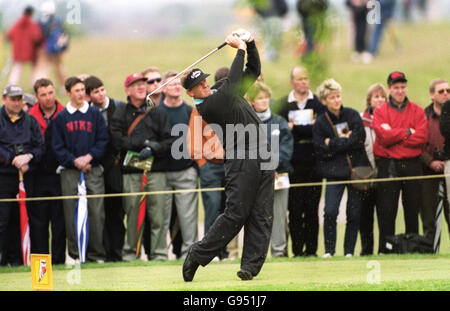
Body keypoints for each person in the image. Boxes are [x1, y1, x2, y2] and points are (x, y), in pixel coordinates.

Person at [181, 30, 274, 281]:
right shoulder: (210, 106)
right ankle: (197, 255)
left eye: (204, 82)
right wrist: (239, 49)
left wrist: (251, 44)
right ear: (190, 93)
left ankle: (249, 268)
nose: (204, 86)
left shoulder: (218, 90)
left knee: (261, 214)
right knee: (235, 214)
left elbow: (252, 71)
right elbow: (233, 81)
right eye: (198, 86)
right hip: (241, 159)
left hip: (264, 155)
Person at [110, 73, 173, 261]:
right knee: (132, 214)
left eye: (142, 84)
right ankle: (131, 254)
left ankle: (159, 254)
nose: (140, 87)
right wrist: (142, 144)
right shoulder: (120, 112)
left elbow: (169, 140)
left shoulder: (157, 112)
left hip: (156, 170)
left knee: (158, 216)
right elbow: (117, 140)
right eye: (135, 84)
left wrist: (153, 147)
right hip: (131, 171)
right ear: (127, 89)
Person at [51, 76, 109, 263]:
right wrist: (74, 160)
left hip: (93, 169)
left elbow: (103, 140)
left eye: (83, 90)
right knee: (71, 213)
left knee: (96, 213)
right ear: (68, 93)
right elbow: (57, 146)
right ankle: (76, 254)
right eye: (77, 90)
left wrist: (89, 156)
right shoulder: (61, 117)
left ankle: (95, 254)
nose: (81, 93)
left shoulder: (94, 114)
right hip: (70, 172)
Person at [372, 71, 428, 254]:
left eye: (403, 87)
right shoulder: (381, 112)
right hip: (389, 166)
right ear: (389, 88)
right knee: (387, 210)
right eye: (396, 87)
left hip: (412, 164)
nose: (400, 90)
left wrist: (395, 135)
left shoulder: (417, 111)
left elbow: (421, 138)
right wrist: (407, 132)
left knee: (412, 208)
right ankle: (386, 249)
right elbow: (383, 137)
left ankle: (412, 248)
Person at [313, 78, 368, 258]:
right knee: (330, 212)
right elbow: (320, 148)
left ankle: (349, 251)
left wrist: (333, 143)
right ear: (324, 101)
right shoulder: (321, 122)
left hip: (355, 172)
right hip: (333, 173)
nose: (336, 100)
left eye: (338, 96)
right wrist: (345, 141)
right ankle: (329, 250)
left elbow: (359, 139)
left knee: (353, 213)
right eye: (332, 98)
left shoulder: (352, 115)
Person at [278, 65, 325, 257]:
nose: (304, 82)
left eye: (306, 78)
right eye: (299, 79)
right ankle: (297, 251)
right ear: (292, 82)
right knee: (295, 210)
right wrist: (307, 128)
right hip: (292, 165)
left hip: (314, 164)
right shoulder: (283, 105)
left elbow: (318, 130)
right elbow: (282, 131)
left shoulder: (318, 105)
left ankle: (311, 250)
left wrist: (295, 128)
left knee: (312, 209)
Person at [247, 81, 293, 257]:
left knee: (279, 216)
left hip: (279, 176)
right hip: (255, 177)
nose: (265, 101)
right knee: (256, 217)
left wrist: (272, 166)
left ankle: (279, 251)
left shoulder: (279, 121)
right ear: (252, 101)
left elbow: (286, 149)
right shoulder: (247, 123)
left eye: (267, 97)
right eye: (260, 98)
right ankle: (257, 253)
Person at [0, 85, 44, 266]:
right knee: (2, 220)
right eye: (13, 99)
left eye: (19, 99)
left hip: (26, 177)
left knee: (23, 218)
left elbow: (40, 146)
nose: (17, 103)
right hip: (4, 177)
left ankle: (18, 259)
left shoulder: (30, 121)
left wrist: (29, 157)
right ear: (4, 100)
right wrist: (12, 159)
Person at [84, 75, 126, 262]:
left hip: (115, 167)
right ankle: (102, 252)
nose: (100, 94)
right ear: (89, 96)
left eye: (102, 90)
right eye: (95, 92)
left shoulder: (118, 107)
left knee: (116, 212)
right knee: (99, 214)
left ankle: (116, 253)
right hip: (95, 167)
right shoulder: (88, 112)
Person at [159, 70, 198, 259]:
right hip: (163, 173)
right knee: (161, 217)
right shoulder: (157, 112)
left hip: (186, 171)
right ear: (163, 88)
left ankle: (189, 254)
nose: (175, 86)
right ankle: (158, 255)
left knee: (188, 218)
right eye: (171, 84)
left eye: (177, 84)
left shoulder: (190, 111)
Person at [28, 78, 65, 264]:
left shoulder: (65, 113)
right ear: (36, 96)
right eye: (43, 94)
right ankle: (40, 266)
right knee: (39, 224)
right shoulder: (30, 116)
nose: (48, 97)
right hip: (37, 176)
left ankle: (58, 262)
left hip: (59, 175)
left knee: (59, 223)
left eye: (51, 93)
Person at [359, 83, 387, 256]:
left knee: (384, 214)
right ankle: (366, 249)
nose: (380, 99)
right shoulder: (361, 120)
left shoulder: (390, 118)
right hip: (366, 173)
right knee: (365, 214)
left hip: (384, 171)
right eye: (376, 97)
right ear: (369, 100)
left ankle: (384, 248)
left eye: (382, 96)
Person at [423, 79, 450, 241]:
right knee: (429, 218)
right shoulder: (423, 116)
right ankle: (430, 256)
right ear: (432, 95)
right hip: (427, 171)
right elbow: (417, 144)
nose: (446, 93)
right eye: (441, 91)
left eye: (448, 90)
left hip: (448, 166)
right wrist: (430, 161)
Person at [34, 1, 69, 90]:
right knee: (59, 67)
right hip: (57, 48)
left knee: (43, 68)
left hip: (44, 48)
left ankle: (41, 87)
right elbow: (63, 33)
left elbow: (38, 36)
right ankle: (64, 86)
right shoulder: (58, 21)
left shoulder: (40, 22)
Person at [6, 6, 43, 86]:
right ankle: (36, 85)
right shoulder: (33, 25)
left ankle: (12, 84)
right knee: (34, 69)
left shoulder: (17, 23)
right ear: (31, 14)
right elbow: (37, 37)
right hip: (30, 51)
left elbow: (9, 35)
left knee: (17, 68)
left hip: (18, 50)